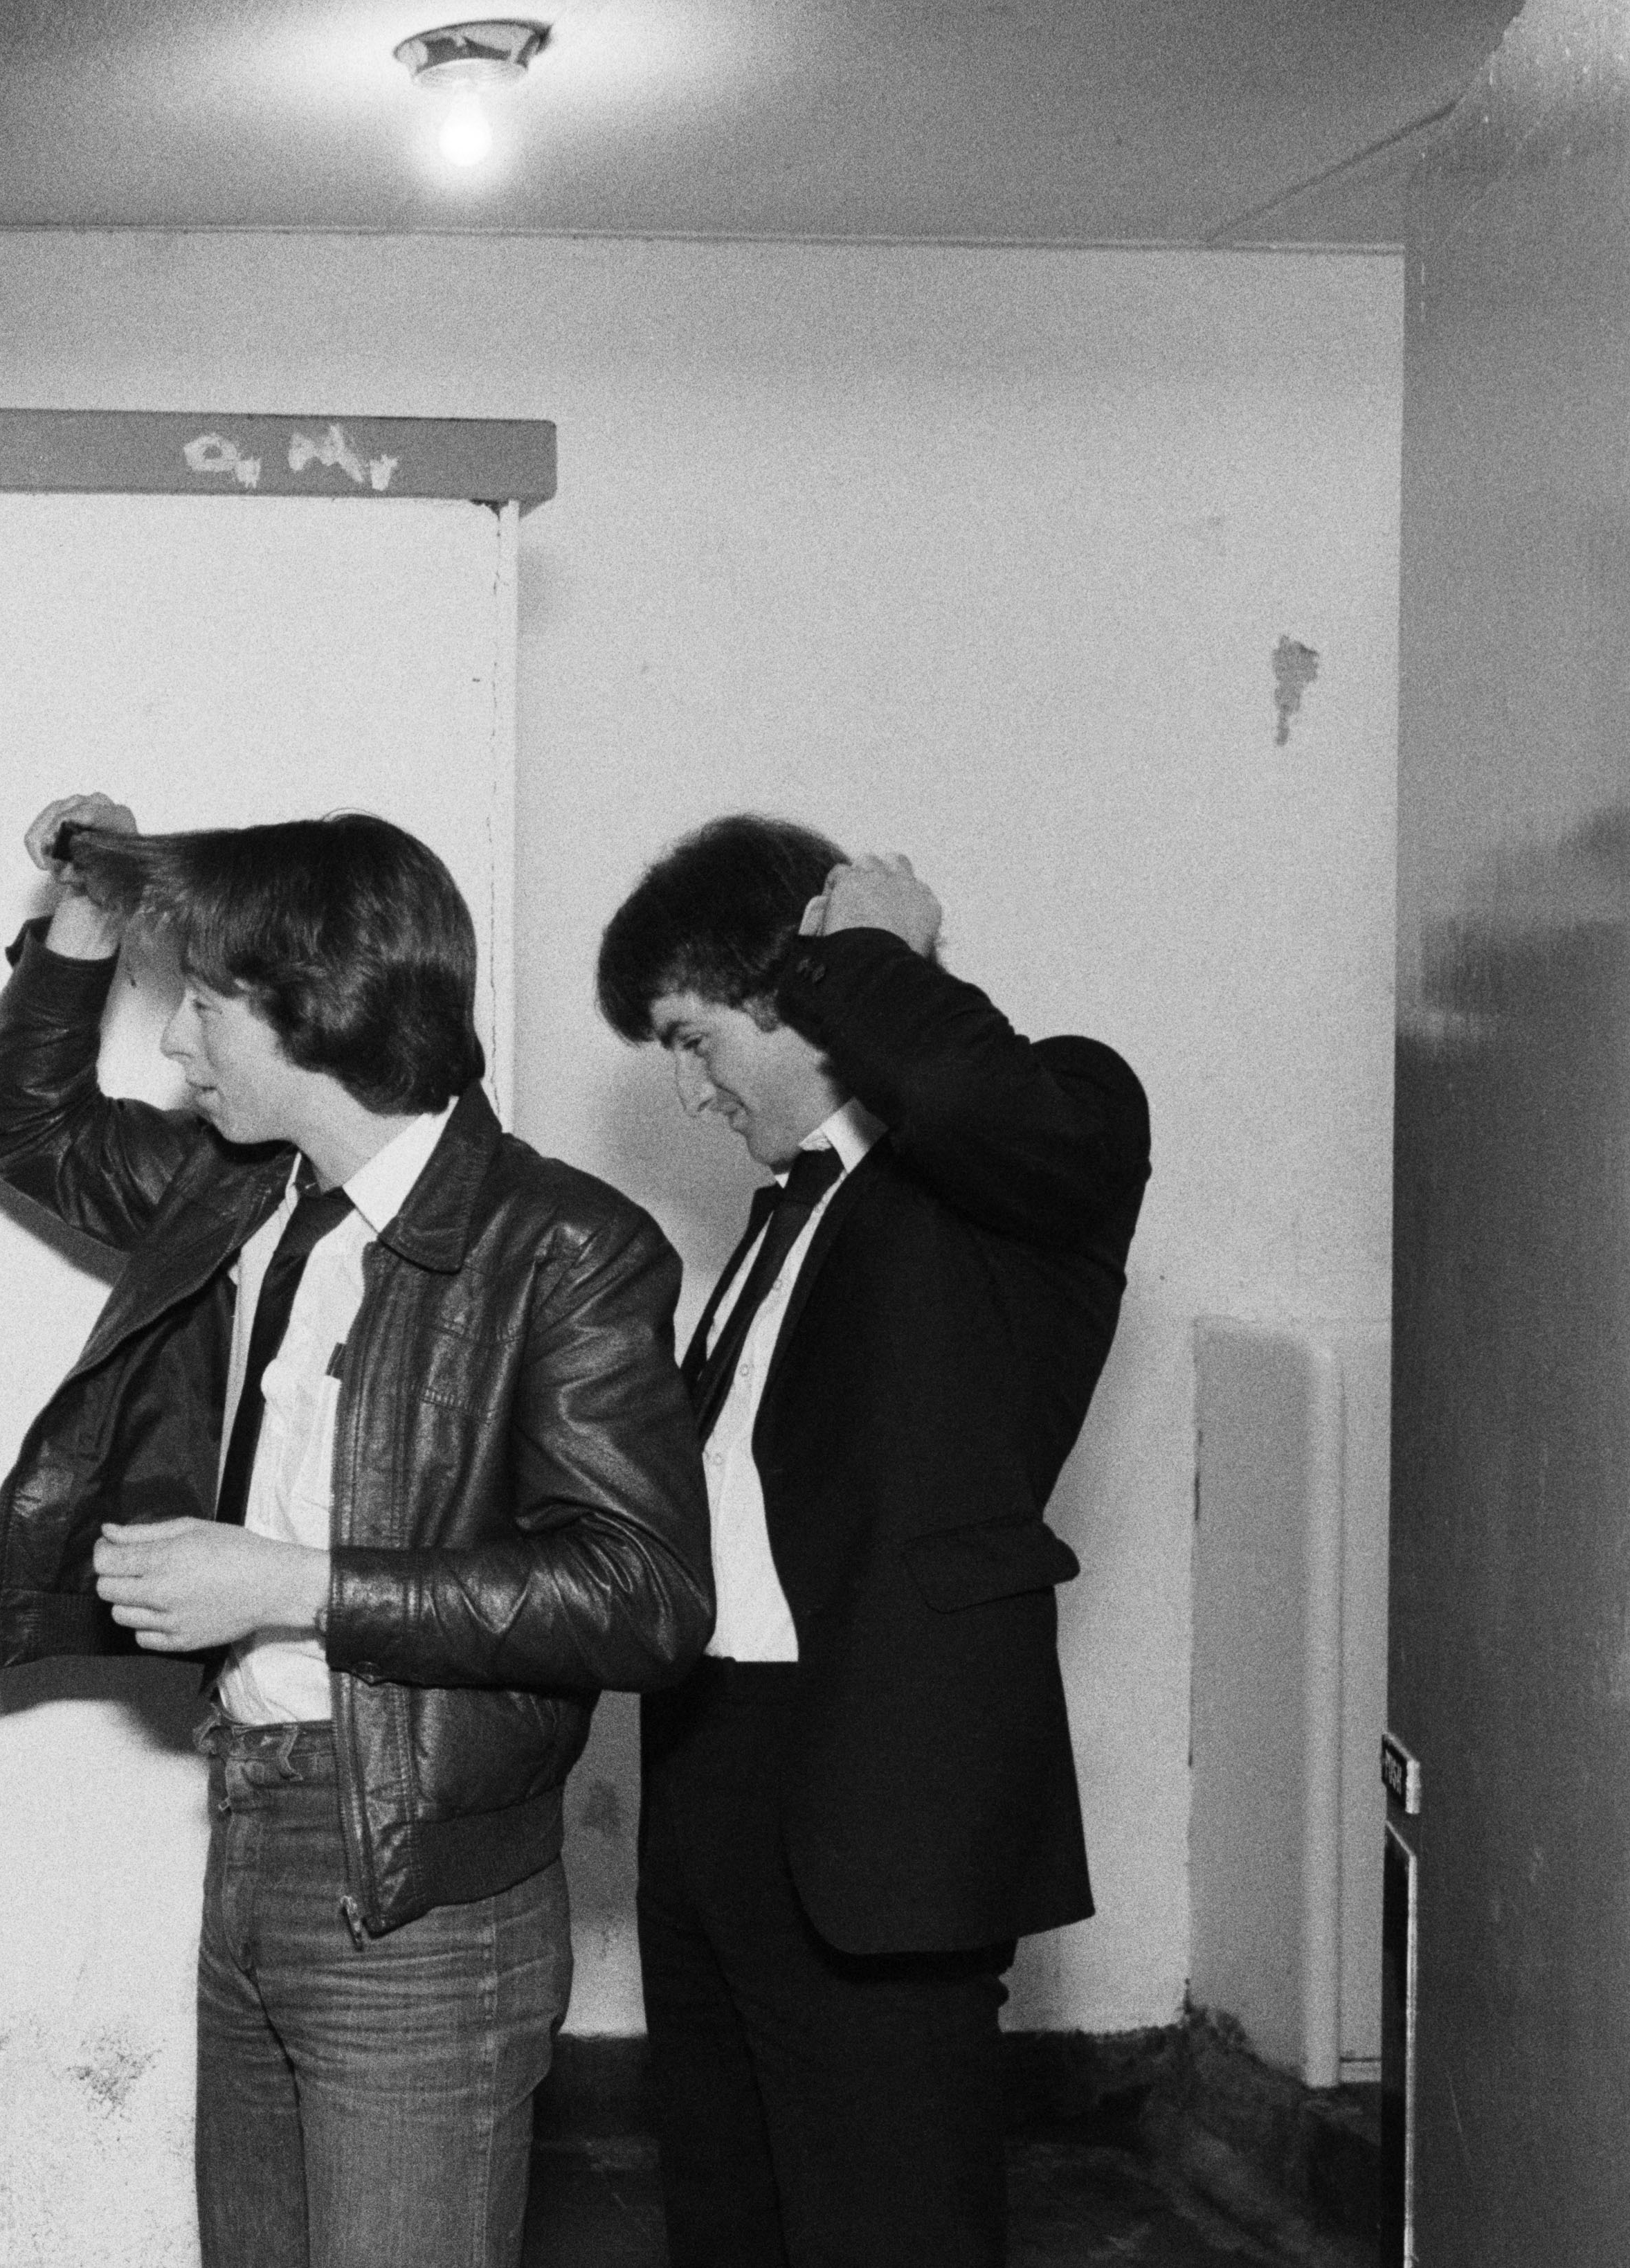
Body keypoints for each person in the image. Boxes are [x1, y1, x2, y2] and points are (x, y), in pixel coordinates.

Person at [0, 796, 712, 2268]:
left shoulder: (561, 1244)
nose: (173, 1040)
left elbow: (642, 1594)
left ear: (317, 1002)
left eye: (200, 1000)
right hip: (253, 1815)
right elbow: (32, 1123)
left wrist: (293, 1585)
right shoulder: (239, 1196)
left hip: (419, 1872)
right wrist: (82, 909)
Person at [593, 819, 1150, 2268]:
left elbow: (984, 1103)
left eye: (695, 1036)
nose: (689, 1087)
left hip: (882, 1796)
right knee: (729, 2212)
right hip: (715, 1770)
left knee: (886, 2227)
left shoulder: (1047, 1132)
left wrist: (872, 954)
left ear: (798, 994)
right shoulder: (786, 1210)